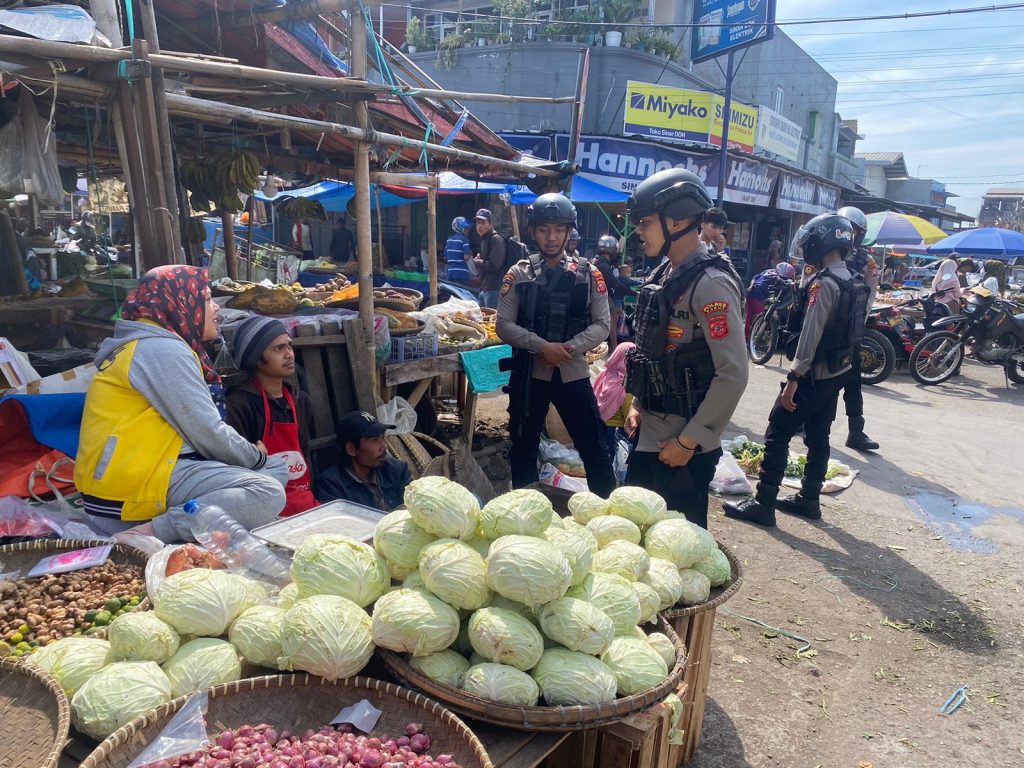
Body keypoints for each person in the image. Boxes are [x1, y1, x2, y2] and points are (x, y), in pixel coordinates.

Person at [74, 265, 288, 542]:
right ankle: (149, 532)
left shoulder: (159, 344)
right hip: (128, 489)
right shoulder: (161, 349)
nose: (216, 309)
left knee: (277, 468)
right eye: (208, 298)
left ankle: (188, 519)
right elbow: (207, 431)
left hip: (159, 468)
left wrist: (255, 462)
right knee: (267, 491)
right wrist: (254, 457)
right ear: (182, 301)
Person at [622, 169, 748, 529]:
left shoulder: (711, 285)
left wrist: (689, 441)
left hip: (681, 447)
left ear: (676, 221)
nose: (639, 232)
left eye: (645, 223)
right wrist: (638, 402)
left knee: (679, 548)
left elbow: (733, 374)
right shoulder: (664, 274)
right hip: (652, 433)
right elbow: (653, 351)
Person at [724, 214, 865, 527]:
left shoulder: (825, 284)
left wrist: (793, 378)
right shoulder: (852, 280)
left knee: (777, 431)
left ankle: (763, 503)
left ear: (821, 242)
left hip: (812, 373)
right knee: (818, 434)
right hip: (837, 372)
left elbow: (811, 335)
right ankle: (809, 499)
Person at [496, 192, 616, 497]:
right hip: (529, 376)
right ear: (533, 231)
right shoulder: (518, 273)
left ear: (568, 231)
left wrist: (568, 349)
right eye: (544, 230)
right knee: (523, 447)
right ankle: (525, 510)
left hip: (573, 373)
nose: (551, 237)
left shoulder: (590, 274)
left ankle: (607, 510)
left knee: (595, 448)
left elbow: (602, 324)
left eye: (559, 230)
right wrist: (541, 346)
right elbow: (503, 325)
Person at [226, 316, 318, 517]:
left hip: (304, 504)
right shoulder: (239, 404)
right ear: (256, 358)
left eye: (289, 346)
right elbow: (236, 469)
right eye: (278, 349)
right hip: (263, 510)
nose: (289, 354)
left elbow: (304, 452)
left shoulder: (301, 401)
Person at [836, 206, 880, 452]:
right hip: (822, 326)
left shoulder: (867, 261)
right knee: (809, 376)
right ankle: (799, 421)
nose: (850, 234)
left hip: (849, 331)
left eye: (855, 231)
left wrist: (856, 327)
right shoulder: (822, 251)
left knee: (852, 383)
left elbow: (870, 297)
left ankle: (856, 431)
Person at [314, 411, 412, 511]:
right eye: (375, 440)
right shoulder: (331, 486)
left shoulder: (396, 469)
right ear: (351, 449)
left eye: (382, 438)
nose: (384, 446)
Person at [593, 342, 635, 460]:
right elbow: (630, 417)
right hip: (617, 433)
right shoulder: (625, 386)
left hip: (599, 427)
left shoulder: (604, 375)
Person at [594, 235, 635, 351]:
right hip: (603, 299)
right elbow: (615, 285)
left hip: (596, 298)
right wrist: (632, 293)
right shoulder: (604, 266)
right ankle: (615, 347)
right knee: (614, 318)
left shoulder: (597, 262)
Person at [745, 261, 797, 338]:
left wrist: (751, 286)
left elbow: (755, 277)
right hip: (759, 296)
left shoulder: (768, 271)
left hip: (751, 293)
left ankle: (747, 337)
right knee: (757, 319)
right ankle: (754, 339)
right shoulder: (778, 278)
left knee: (749, 317)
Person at [473, 208, 506, 308]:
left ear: (490, 223)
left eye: (483, 222)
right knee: (483, 320)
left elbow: (494, 265)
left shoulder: (496, 239)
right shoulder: (484, 239)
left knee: (491, 321)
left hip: (494, 289)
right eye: (478, 223)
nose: (479, 226)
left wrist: (477, 261)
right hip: (484, 288)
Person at [445, 217, 475, 282]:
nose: (468, 230)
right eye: (466, 228)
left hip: (450, 273)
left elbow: (446, 258)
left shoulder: (449, 239)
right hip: (462, 274)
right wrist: (470, 253)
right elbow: (466, 257)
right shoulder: (464, 239)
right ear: (461, 228)